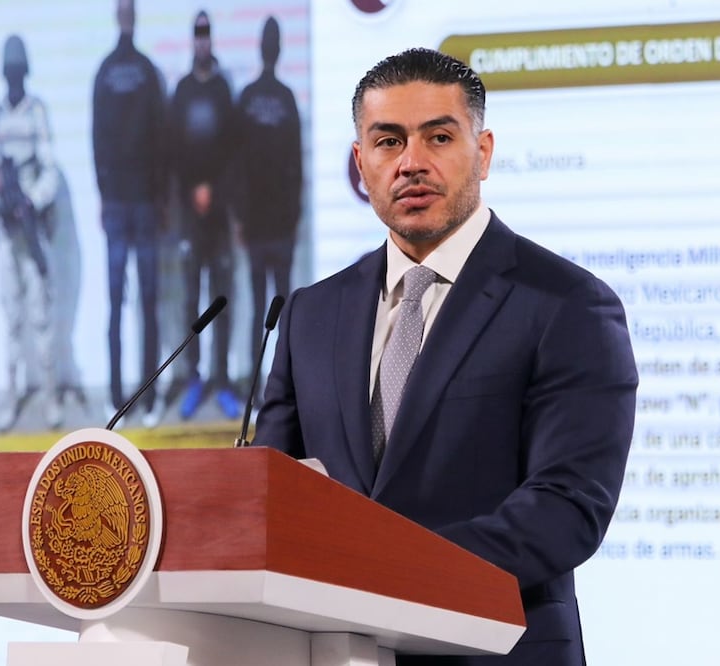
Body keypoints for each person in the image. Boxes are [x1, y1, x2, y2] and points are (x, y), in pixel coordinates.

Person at [253, 48, 638, 665]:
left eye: (438, 136)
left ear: (482, 152)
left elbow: (567, 508)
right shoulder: (310, 314)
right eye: (388, 141)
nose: (412, 162)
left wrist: (389, 572)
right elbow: (268, 493)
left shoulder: (568, 305)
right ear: (360, 163)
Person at [0, 34, 62, 432]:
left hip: (31, 230)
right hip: (5, 235)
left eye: (18, 71)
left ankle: (49, 397)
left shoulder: (37, 113)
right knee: (11, 318)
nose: (14, 78)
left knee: (41, 316)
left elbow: (51, 172)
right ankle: (12, 396)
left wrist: (30, 201)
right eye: (9, 72)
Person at [92, 0, 167, 428]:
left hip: (134, 203)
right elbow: (98, 135)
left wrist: (157, 199)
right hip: (124, 203)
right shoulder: (139, 70)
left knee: (137, 302)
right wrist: (105, 195)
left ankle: (143, 393)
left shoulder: (111, 70)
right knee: (126, 301)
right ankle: (125, 395)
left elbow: (159, 138)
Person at [167, 9, 241, 421]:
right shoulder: (180, 90)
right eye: (196, 34)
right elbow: (173, 153)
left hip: (219, 216)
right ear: (190, 39)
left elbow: (233, 152)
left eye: (207, 34)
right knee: (191, 303)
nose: (202, 41)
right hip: (190, 220)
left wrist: (214, 189)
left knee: (220, 300)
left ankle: (223, 380)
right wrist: (191, 191)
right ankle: (194, 379)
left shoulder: (223, 90)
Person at [234, 16, 303, 395]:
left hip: (274, 224)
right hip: (265, 223)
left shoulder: (269, 97)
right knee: (270, 308)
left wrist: (293, 215)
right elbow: (239, 164)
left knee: (273, 309)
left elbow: (295, 162)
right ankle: (263, 387)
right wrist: (241, 217)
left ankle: (272, 388)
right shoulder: (257, 98)